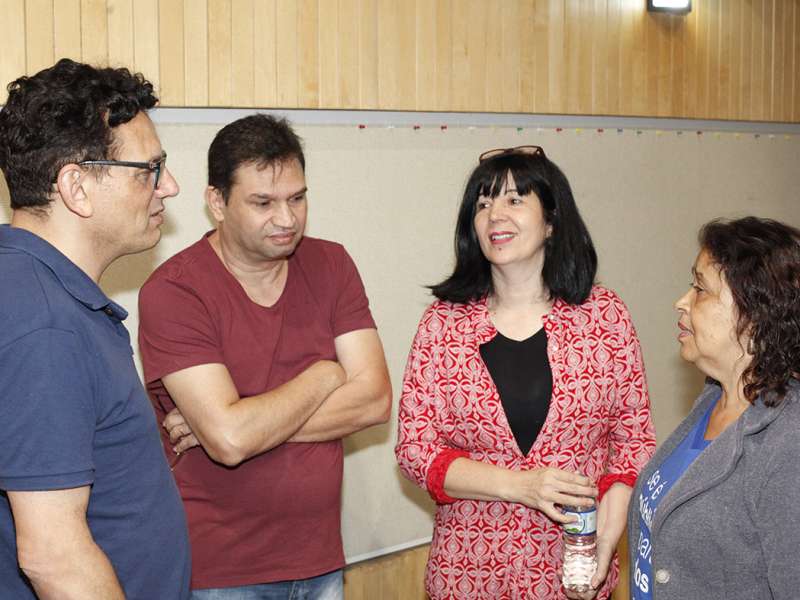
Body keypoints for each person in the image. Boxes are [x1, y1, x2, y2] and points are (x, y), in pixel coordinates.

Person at [138, 113, 392, 599]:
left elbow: (375, 401)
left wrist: (243, 422)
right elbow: (231, 441)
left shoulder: (331, 263)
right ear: (217, 202)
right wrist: (325, 374)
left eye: (297, 198)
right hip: (221, 573)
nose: (287, 218)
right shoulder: (174, 291)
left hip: (320, 560)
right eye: (263, 202)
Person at [395, 145, 656, 600]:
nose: (495, 214)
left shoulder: (604, 317)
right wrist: (521, 486)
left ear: (551, 221)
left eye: (515, 199)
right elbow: (416, 451)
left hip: (572, 574)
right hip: (467, 574)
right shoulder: (443, 324)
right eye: (482, 204)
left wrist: (604, 546)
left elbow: (632, 446)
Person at [0, 59, 190, 599]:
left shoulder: (32, 288)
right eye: (149, 170)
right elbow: (53, 557)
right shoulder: (44, 324)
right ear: (77, 186)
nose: (169, 187)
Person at [628, 216, 800, 600]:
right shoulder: (712, 399)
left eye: (700, 289)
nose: (682, 302)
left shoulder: (789, 443)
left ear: (754, 317)